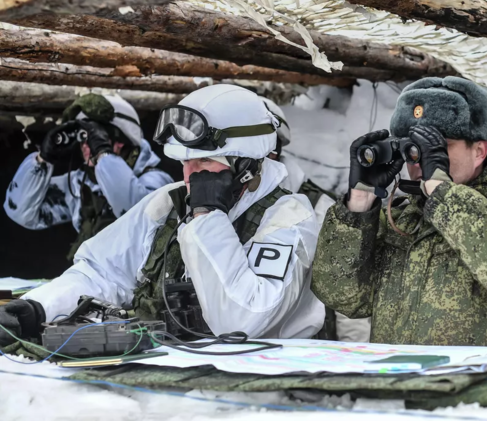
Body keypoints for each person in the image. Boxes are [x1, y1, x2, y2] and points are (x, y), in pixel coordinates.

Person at [0, 85, 324, 346]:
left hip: (257, 392)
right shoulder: (167, 203)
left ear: (246, 163)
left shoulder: (289, 217)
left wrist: (208, 216)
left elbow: (243, 323)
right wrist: (36, 307)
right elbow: (102, 272)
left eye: (203, 163)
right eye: (185, 163)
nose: (189, 176)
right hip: (166, 376)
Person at [311, 77, 487, 347]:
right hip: (404, 385)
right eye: (414, 149)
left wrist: (443, 193)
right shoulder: (402, 221)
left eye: (437, 148)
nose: (421, 161)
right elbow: (342, 296)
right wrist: (359, 204)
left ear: (479, 151)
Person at [4, 94, 173, 259]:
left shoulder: (156, 181)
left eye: (94, 137)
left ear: (120, 140)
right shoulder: (82, 184)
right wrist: (43, 159)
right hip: (94, 282)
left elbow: (133, 212)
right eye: (84, 138)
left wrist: (103, 155)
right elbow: (21, 213)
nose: (85, 146)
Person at [262, 97, 370, 342]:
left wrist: (353, 358)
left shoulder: (318, 207)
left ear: (273, 151)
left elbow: (348, 290)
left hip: (307, 353)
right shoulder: (208, 206)